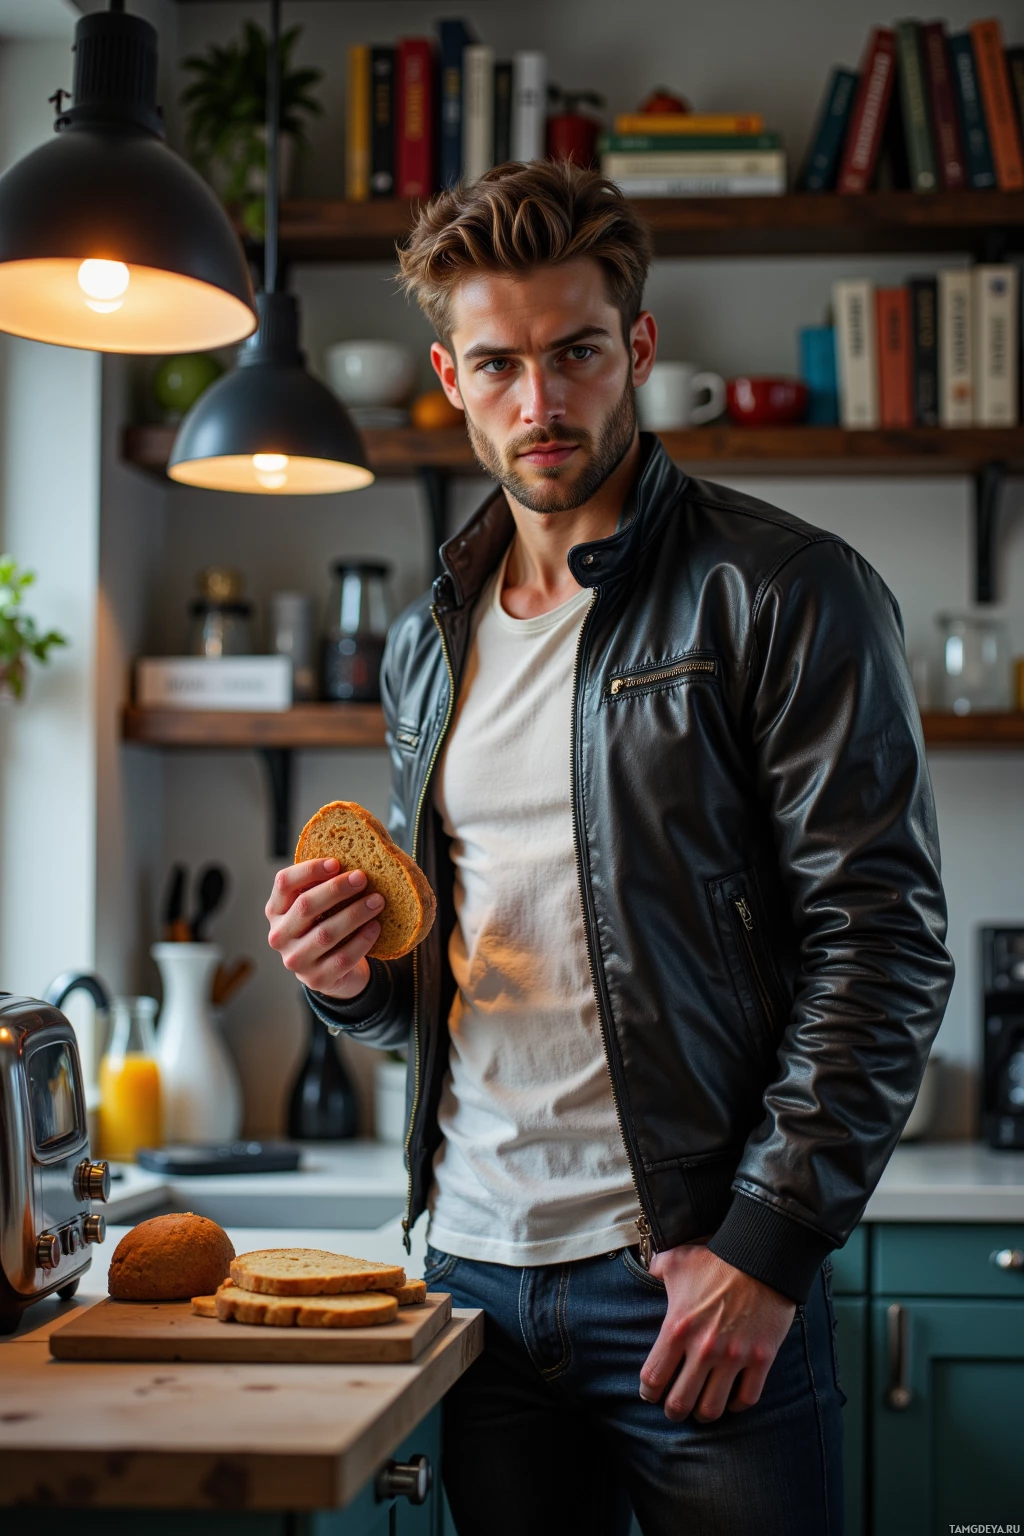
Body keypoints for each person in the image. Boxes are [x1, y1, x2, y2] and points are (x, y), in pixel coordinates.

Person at [265, 160, 953, 1536]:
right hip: (469, 1277)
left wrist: (763, 1251)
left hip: (687, 1276)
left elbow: (883, 941)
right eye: (500, 365)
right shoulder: (426, 639)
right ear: (449, 380)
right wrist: (350, 980)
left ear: (634, 349)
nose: (543, 402)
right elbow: (455, 986)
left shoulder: (778, 590)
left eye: (576, 352)